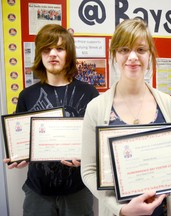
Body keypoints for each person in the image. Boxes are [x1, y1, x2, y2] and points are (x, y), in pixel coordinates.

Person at [81, 18, 171, 216]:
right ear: (114, 55)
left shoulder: (167, 103)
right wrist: (121, 209)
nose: (133, 57)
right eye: (124, 49)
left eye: (141, 50)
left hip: (161, 210)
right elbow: (88, 171)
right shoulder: (96, 108)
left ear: (150, 55)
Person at [3, 24, 99, 216]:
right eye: (46, 49)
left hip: (78, 192)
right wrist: (20, 155)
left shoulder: (89, 93)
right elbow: (20, 138)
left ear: (69, 54)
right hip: (37, 193)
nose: (53, 54)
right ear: (40, 54)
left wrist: (87, 157)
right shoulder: (27, 95)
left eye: (60, 48)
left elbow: (97, 140)